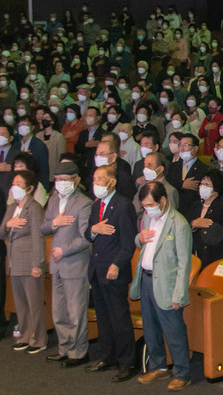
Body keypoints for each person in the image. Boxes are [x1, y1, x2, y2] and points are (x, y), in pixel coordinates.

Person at [132, 182, 194, 391]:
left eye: (150, 204)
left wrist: (179, 293)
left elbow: (185, 262)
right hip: (146, 280)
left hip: (167, 284)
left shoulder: (179, 223)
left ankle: (182, 372)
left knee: (174, 330)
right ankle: (158, 366)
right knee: (150, 329)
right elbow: (142, 244)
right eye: (144, 206)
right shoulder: (148, 217)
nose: (147, 209)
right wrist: (138, 239)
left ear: (163, 201)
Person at [84, 164, 138, 382]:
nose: (95, 183)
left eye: (99, 179)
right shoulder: (96, 206)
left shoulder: (123, 206)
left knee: (119, 317)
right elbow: (88, 234)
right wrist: (93, 230)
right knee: (104, 318)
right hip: (97, 270)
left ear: (112, 181)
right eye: (94, 179)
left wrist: (116, 264)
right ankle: (108, 357)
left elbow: (128, 243)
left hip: (114, 271)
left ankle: (127, 362)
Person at [41, 161, 93, 366]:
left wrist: (65, 249)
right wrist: (54, 223)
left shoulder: (84, 203)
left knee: (76, 310)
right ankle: (64, 348)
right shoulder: (53, 200)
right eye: (58, 180)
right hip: (56, 264)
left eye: (66, 180)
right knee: (59, 310)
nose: (61, 183)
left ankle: (78, 352)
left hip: (74, 262)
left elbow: (85, 237)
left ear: (76, 180)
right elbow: (43, 227)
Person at [0, 169, 47, 353]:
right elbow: (1, 232)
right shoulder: (12, 208)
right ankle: (25, 335)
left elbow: (38, 238)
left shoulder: (34, 208)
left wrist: (38, 264)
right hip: (14, 261)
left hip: (29, 262)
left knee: (34, 303)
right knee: (20, 303)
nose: (15, 187)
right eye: (14, 183)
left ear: (29, 188)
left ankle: (39, 339)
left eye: (19, 184)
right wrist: (8, 224)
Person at [187, 169, 223, 269]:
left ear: (216, 189)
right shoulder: (195, 206)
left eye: (207, 185)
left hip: (212, 258)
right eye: (202, 183)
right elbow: (185, 227)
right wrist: (193, 224)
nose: (202, 186)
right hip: (193, 256)